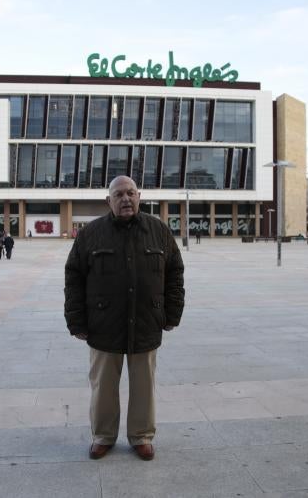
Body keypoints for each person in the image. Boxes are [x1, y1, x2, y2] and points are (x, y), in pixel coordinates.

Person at [64, 175, 185, 462]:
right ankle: (103, 436)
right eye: (118, 194)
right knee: (103, 386)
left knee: (144, 386)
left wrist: (172, 313)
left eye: (130, 193)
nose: (126, 199)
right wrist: (76, 321)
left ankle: (141, 436)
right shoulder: (91, 234)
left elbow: (175, 274)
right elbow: (74, 277)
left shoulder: (159, 231)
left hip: (146, 322)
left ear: (139, 196)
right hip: (103, 325)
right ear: (109, 201)